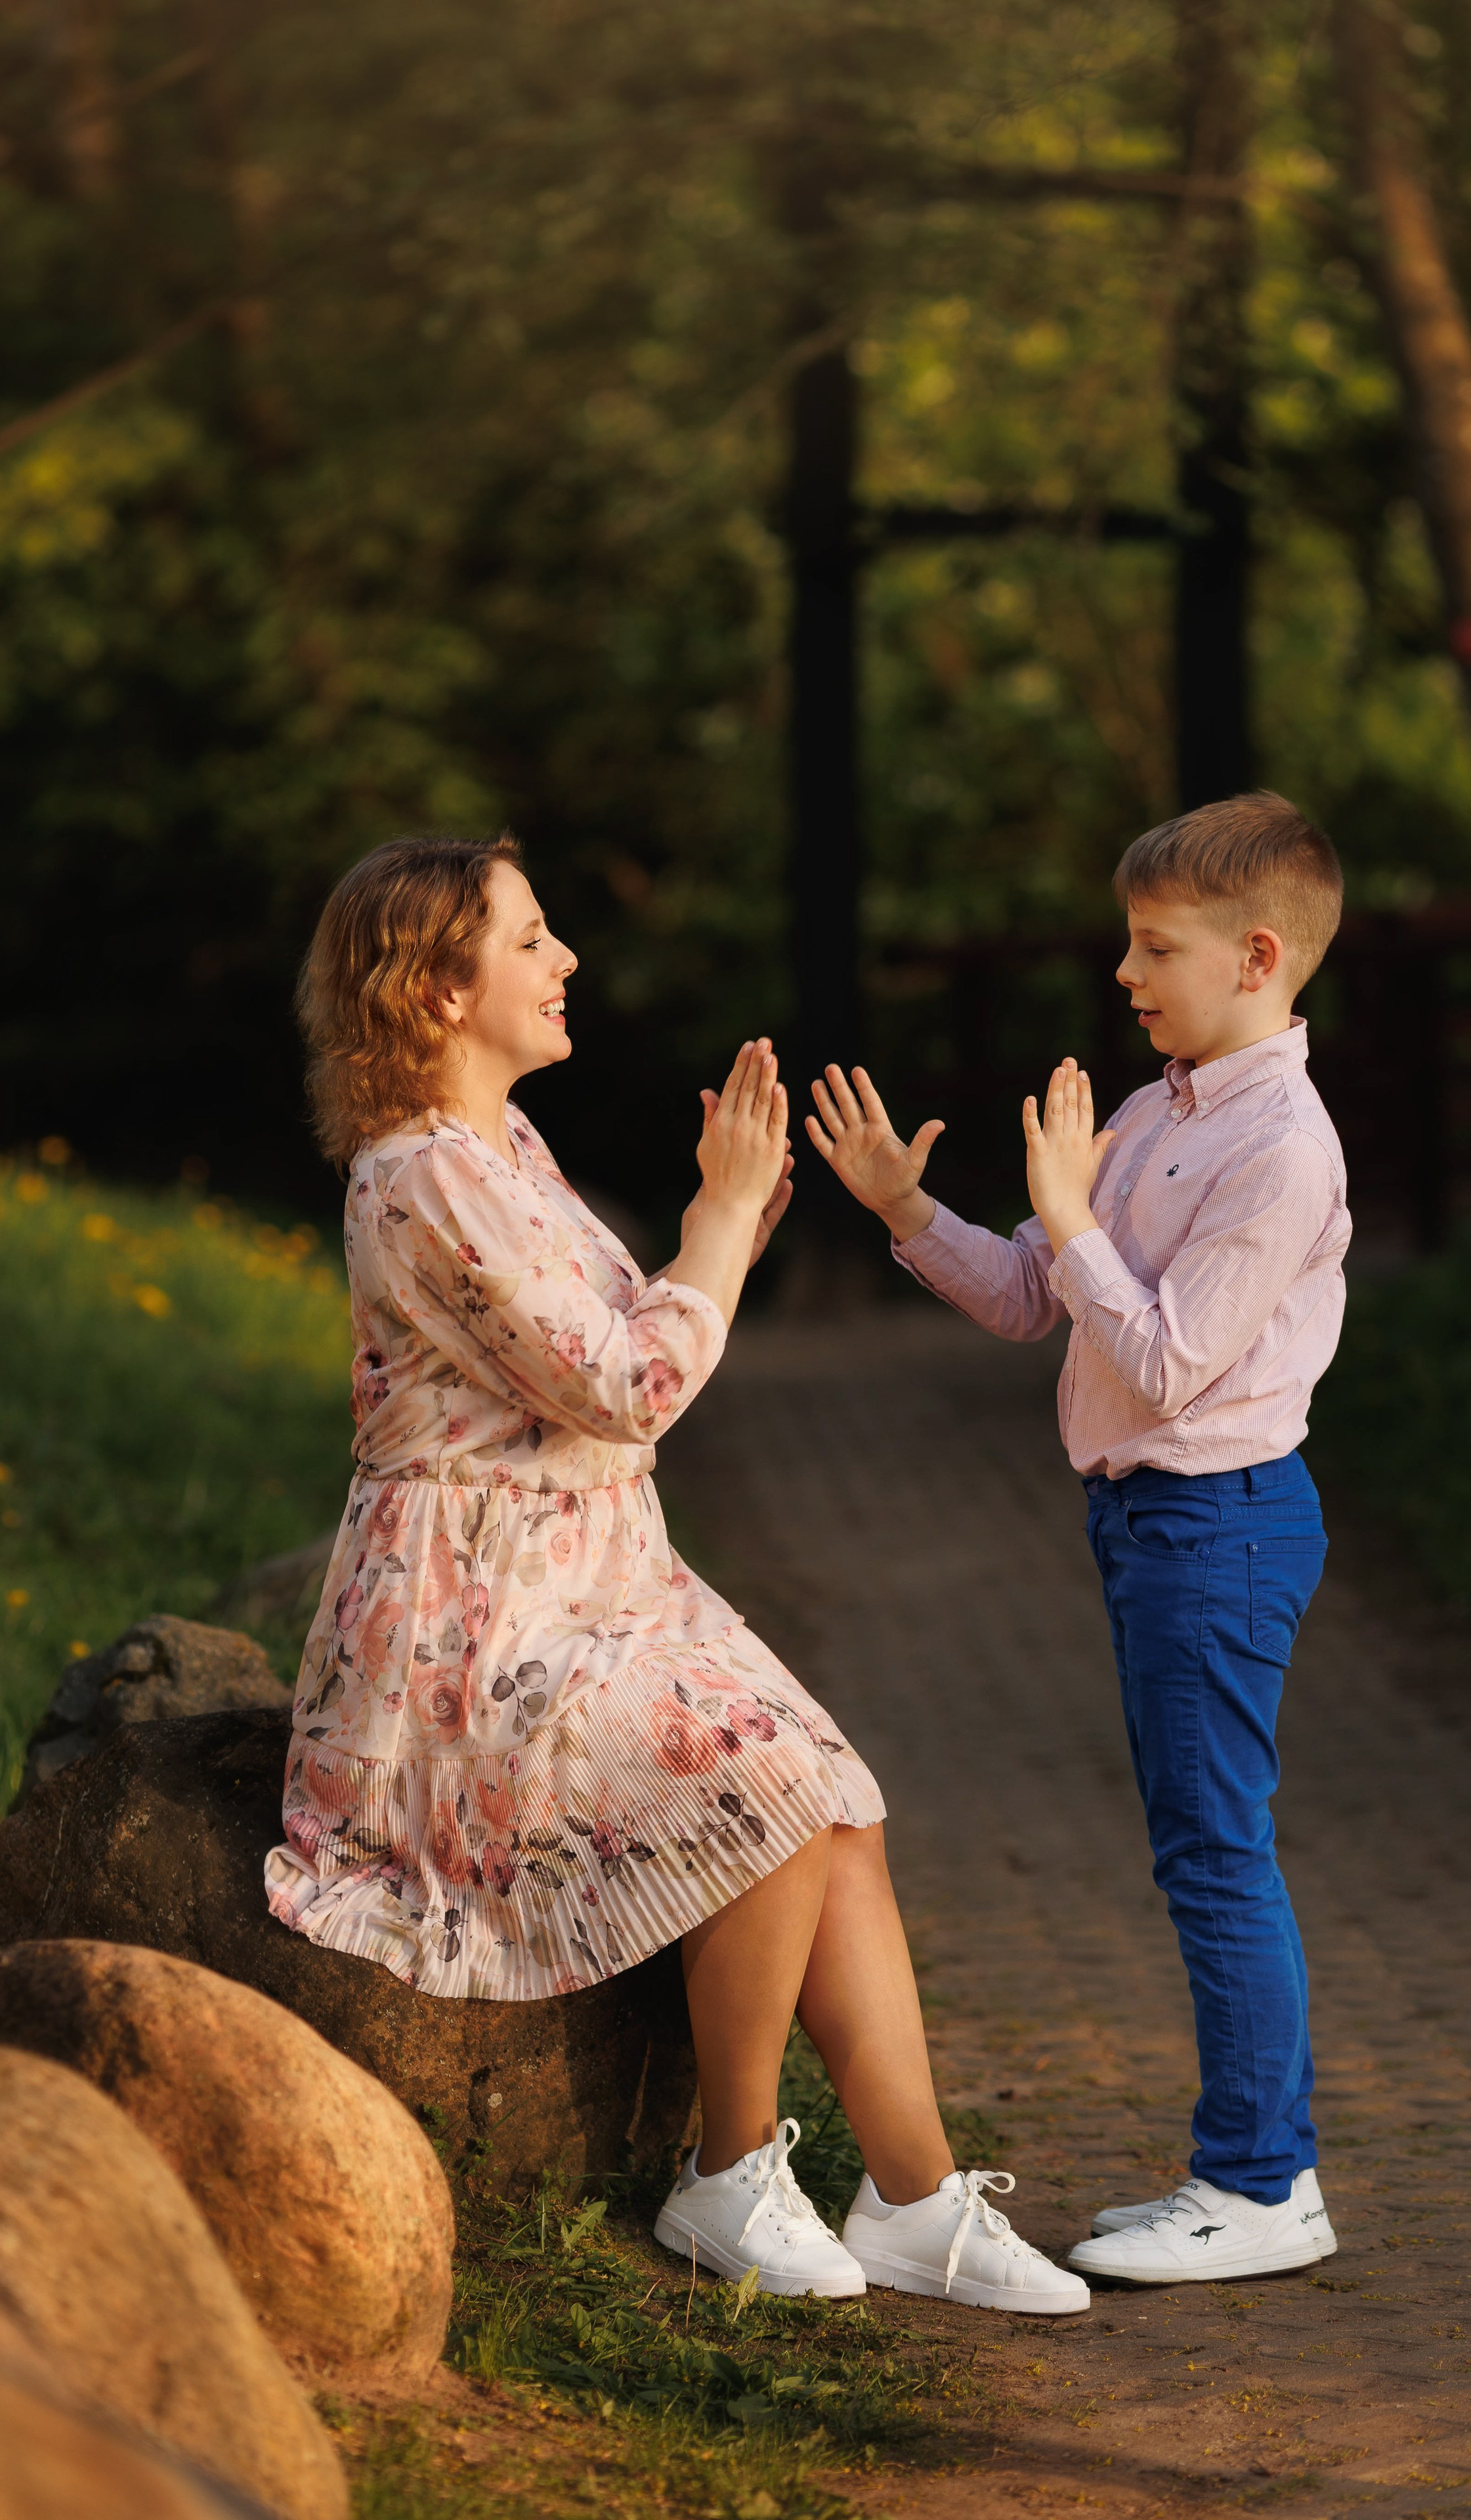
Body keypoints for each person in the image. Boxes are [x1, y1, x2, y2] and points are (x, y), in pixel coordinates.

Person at [265, 830, 1088, 2315]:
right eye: (528, 939)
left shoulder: (502, 1153)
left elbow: (617, 1341)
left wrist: (733, 1221)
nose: (565, 959)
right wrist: (709, 1230)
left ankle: (912, 2197)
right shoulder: (416, 1179)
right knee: (765, 1781)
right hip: (474, 1634)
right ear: (438, 995)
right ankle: (726, 2171)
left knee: (837, 1804)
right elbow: (624, 1387)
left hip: (596, 1592)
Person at [807, 792, 1349, 2286]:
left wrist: (1070, 1212)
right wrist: (910, 1208)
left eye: (1150, 948)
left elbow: (1168, 1360)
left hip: (1219, 1523)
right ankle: (1253, 2173)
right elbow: (1026, 1300)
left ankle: (1259, 2187)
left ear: (1253, 958)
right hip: (1145, 1522)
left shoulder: (1280, 1148)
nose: (1123, 974)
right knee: (1201, 1846)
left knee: (1216, 1851)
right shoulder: (1149, 1112)